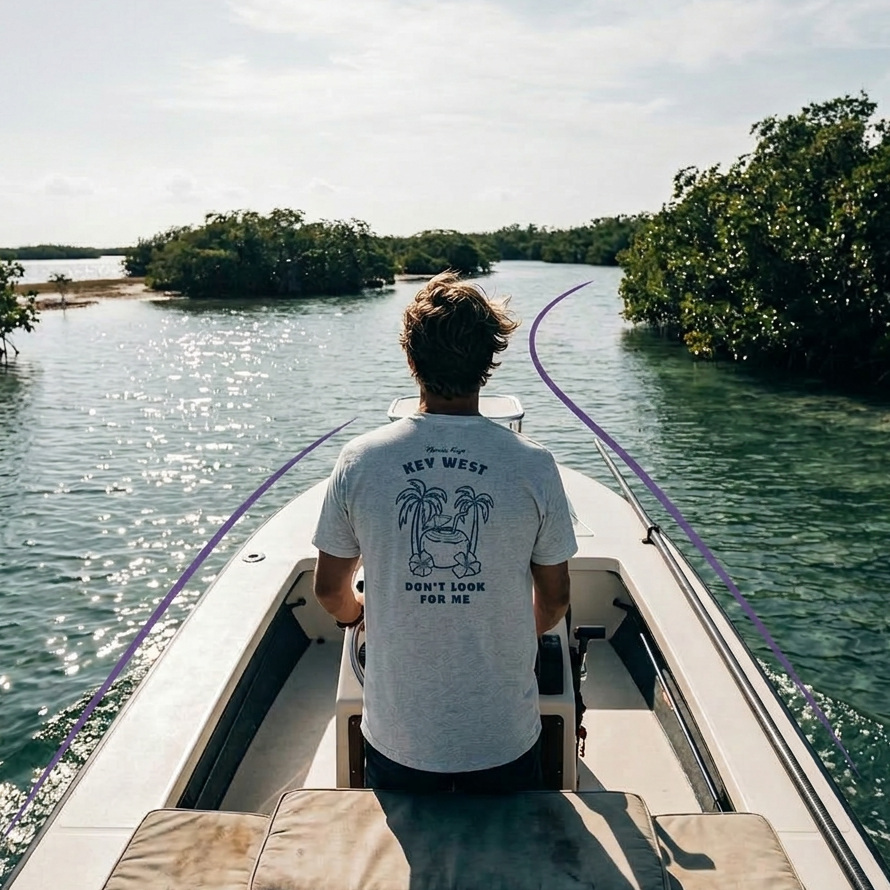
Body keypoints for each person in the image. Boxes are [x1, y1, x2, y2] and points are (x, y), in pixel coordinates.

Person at [312, 271, 577, 792]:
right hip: (505, 740)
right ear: (489, 360)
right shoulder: (533, 465)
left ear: (411, 358)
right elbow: (556, 598)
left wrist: (358, 615)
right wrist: (511, 634)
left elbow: (328, 590)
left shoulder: (360, 461)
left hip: (398, 742)